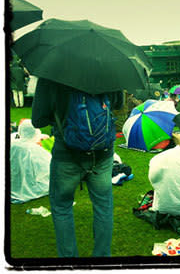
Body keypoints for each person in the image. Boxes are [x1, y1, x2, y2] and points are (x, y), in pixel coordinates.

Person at [32, 78, 123, 257]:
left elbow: (38, 120)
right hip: (102, 152)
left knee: (62, 206)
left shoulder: (52, 72)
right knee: (103, 206)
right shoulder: (108, 67)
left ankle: (69, 262)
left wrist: (60, 115)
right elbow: (118, 103)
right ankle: (102, 260)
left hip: (67, 154)